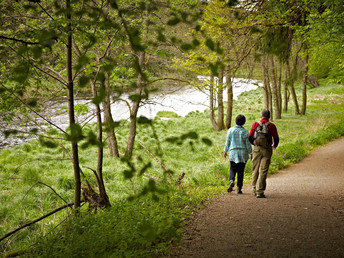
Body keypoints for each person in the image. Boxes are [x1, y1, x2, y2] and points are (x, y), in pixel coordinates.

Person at [249, 109, 279, 198]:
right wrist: (274, 146)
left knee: (255, 169)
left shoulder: (256, 124)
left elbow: (250, 137)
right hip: (267, 149)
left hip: (257, 149)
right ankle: (260, 191)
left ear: (261, 115)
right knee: (263, 170)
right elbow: (276, 138)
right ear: (269, 117)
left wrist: (254, 143)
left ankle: (254, 188)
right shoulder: (272, 126)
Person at [224, 114, 252, 194]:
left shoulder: (231, 130)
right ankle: (239, 188)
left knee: (232, 168)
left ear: (235, 121)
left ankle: (231, 180)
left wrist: (225, 151)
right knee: (241, 171)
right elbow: (248, 144)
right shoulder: (245, 131)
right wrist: (250, 152)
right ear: (244, 122)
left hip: (233, 152)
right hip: (243, 153)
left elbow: (228, 141)